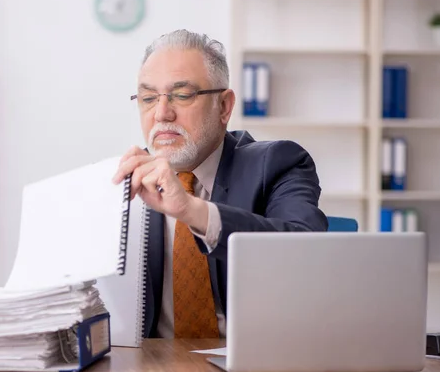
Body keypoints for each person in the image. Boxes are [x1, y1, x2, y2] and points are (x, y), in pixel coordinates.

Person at [112, 30, 328, 339]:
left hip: (256, 364)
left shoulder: (279, 163)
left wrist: (191, 210)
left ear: (224, 107)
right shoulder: (128, 181)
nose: (161, 113)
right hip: (153, 370)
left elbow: (308, 253)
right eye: (148, 98)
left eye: (182, 95)